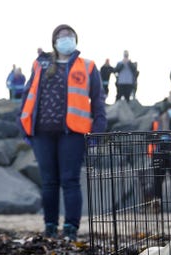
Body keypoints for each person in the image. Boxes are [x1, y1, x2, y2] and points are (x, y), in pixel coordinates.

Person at [19, 24, 107, 240]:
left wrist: (97, 131)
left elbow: (98, 101)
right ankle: (50, 227)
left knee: (70, 180)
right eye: (61, 35)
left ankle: (70, 228)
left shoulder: (87, 66)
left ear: (76, 39)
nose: (65, 38)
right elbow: (28, 94)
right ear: (54, 41)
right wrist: (24, 125)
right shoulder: (40, 64)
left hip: (73, 133)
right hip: (41, 132)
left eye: (69, 35)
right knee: (48, 181)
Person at [147, 105, 171, 213]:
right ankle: (156, 205)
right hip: (159, 154)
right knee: (158, 180)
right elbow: (150, 138)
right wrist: (151, 154)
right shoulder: (156, 122)